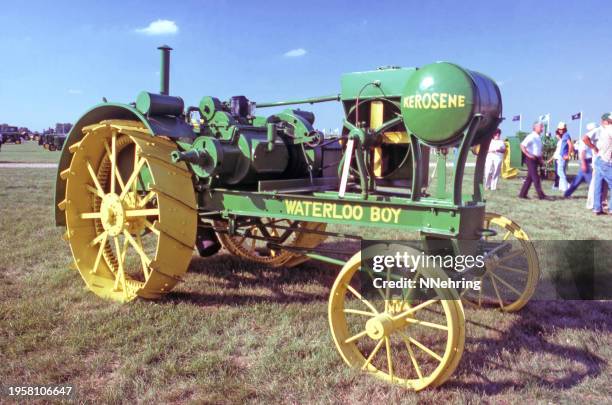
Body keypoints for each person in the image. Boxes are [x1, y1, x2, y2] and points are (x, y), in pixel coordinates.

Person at [583, 116, 611, 211]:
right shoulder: (598, 130)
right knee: (596, 183)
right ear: (604, 121)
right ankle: (591, 204)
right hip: (600, 160)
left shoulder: (607, 130)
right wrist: (593, 147)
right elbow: (585, 138)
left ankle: (600, 205)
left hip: (603, 159)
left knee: (603, 184)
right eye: (609, 121)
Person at [519, 121, 549, 200]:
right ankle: (541, 196)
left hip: (536, 159)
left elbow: (538, 150)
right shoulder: (531, 136)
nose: (542, 128)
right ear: (535, 128)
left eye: (542, 127)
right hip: (530, 159)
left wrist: (541, 160)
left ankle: (522, 194)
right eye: (541, 127)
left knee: (529, 178)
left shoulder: (538, 137)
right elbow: (522, 145)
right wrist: (528, 154)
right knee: (536, 177)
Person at [564, 123, 595, 197]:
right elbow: (582, 152)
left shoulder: (589, 139)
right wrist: (584, 163)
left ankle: (567, 193)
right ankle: (597, 195)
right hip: (585, 161)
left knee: (578, 179)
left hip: (586, 161)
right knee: (591, 181)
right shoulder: (585, 139)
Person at [549, 122, 573, 192]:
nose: (560, 130)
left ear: (564, 129)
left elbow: (570, 145)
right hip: (562, 156)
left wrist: (568, 155)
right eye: (559, 129)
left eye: (561, 129)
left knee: (560, 172)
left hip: (563, 156)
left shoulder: (566, 135)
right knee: (562, 172)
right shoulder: (565, 135)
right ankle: (562, 187)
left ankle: (566, 186)